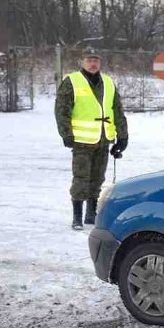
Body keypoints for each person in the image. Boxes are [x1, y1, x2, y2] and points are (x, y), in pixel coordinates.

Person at [54, 47, 128, 230]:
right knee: (81, 178)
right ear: (82, 62)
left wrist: (123, 136)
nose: (93, 63)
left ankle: (91, 214)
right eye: (89, 60)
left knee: (97, 178)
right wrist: (66, 133)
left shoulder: (108, 82)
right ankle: (77, 217)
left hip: (103, 140)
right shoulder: (72, 81)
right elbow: (62, 109)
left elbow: (117, 111)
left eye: (96, 60)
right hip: (81, 141)